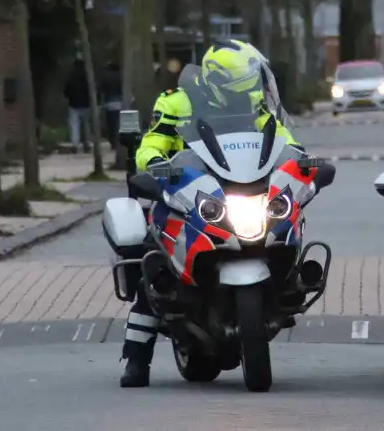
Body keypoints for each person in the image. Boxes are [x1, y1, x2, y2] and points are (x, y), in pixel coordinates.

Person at [120, 38, 302, 388]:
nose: (251, 89)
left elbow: (280, 137)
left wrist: (299, 158)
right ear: (219, 81)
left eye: (254, 82)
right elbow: (152, 143)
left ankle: (286, 287)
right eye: (244, 82)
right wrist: (155, 164)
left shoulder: (254, 105)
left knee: (281, 224)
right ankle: (135, 359)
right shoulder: (176, 102)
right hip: (185, 192)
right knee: (153, 265)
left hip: (241, 187)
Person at [63, 54, 92, 153]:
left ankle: (75, 144)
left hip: (73, 104)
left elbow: (66, 91)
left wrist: (69, 97)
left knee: (74, 125)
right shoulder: (88, 77)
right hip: (86, 104)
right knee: (86, 124)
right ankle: (86, 144)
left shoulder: (70, 77)